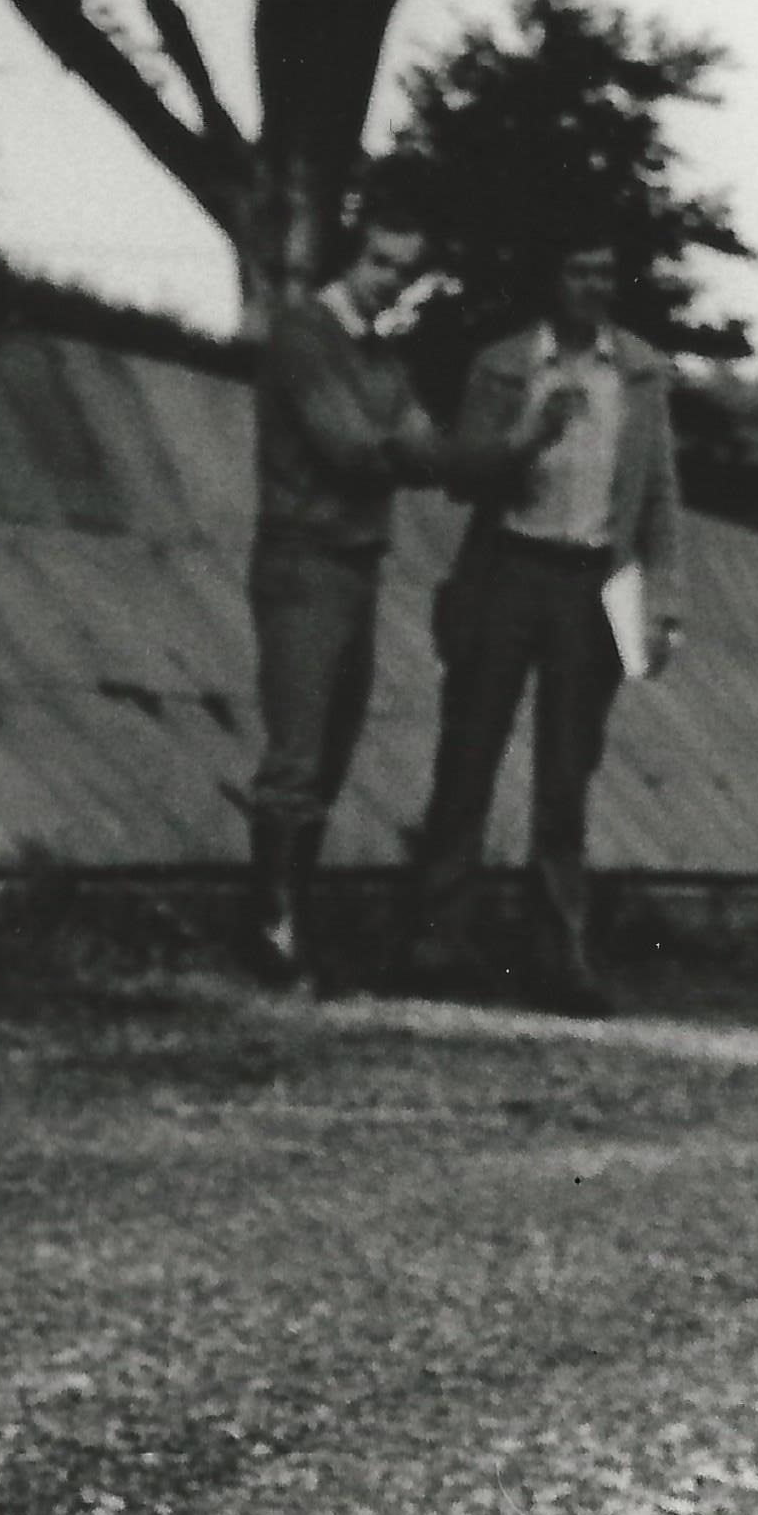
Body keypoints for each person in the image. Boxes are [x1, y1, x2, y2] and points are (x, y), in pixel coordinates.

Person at [237, 209, 544, 987]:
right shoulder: (305, 337)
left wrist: (516, 448)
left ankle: (285, 930)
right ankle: (272, 938)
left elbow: (421, 446)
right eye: (381, 263)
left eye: (405, 271)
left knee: (329, 754)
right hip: (304, 560)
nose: (392, 283)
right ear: (351, 259)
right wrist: (431, 453)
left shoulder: (380, 356)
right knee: (299, 756)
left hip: (355, 564)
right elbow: (353, 448)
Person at [396, 236, 686, 1012]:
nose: (593, 286)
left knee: (567, 774)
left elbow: (658, 493)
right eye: (577, 270)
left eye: (604, 271)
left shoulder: (642, 374)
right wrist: (529, 438)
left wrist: (664, 600)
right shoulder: (505, 365)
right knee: (469, 756)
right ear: (551, 280)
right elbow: (460, 477)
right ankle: (438, 938)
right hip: (506, 569)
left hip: (592, 583)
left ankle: (559, 957)